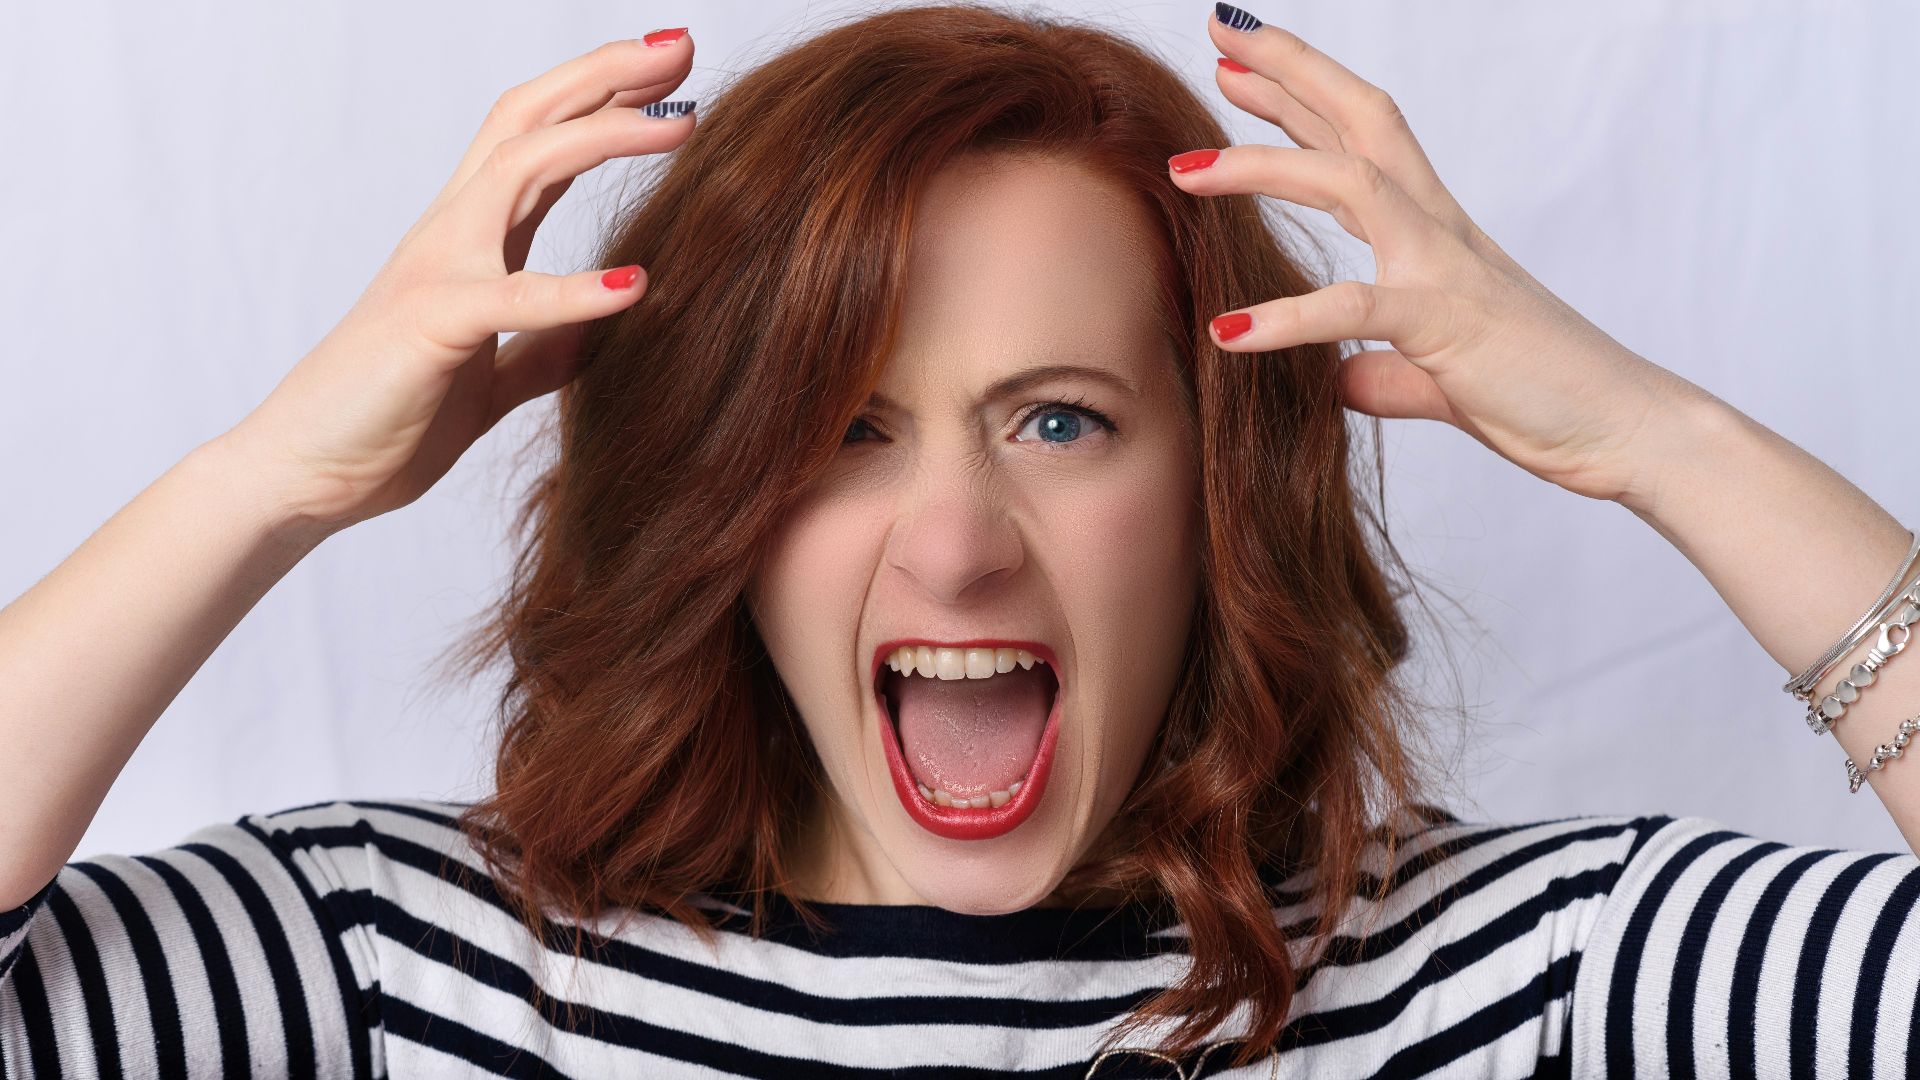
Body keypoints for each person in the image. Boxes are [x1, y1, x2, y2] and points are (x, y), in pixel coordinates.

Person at [3, 3, 1917, 1077]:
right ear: (719, 508)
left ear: (1216, 491)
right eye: (841, 432)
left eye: (1061, 420)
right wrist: (268, 478)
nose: (956, 543)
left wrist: (1666, 441)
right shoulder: (385, 970)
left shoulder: (1537, 982)